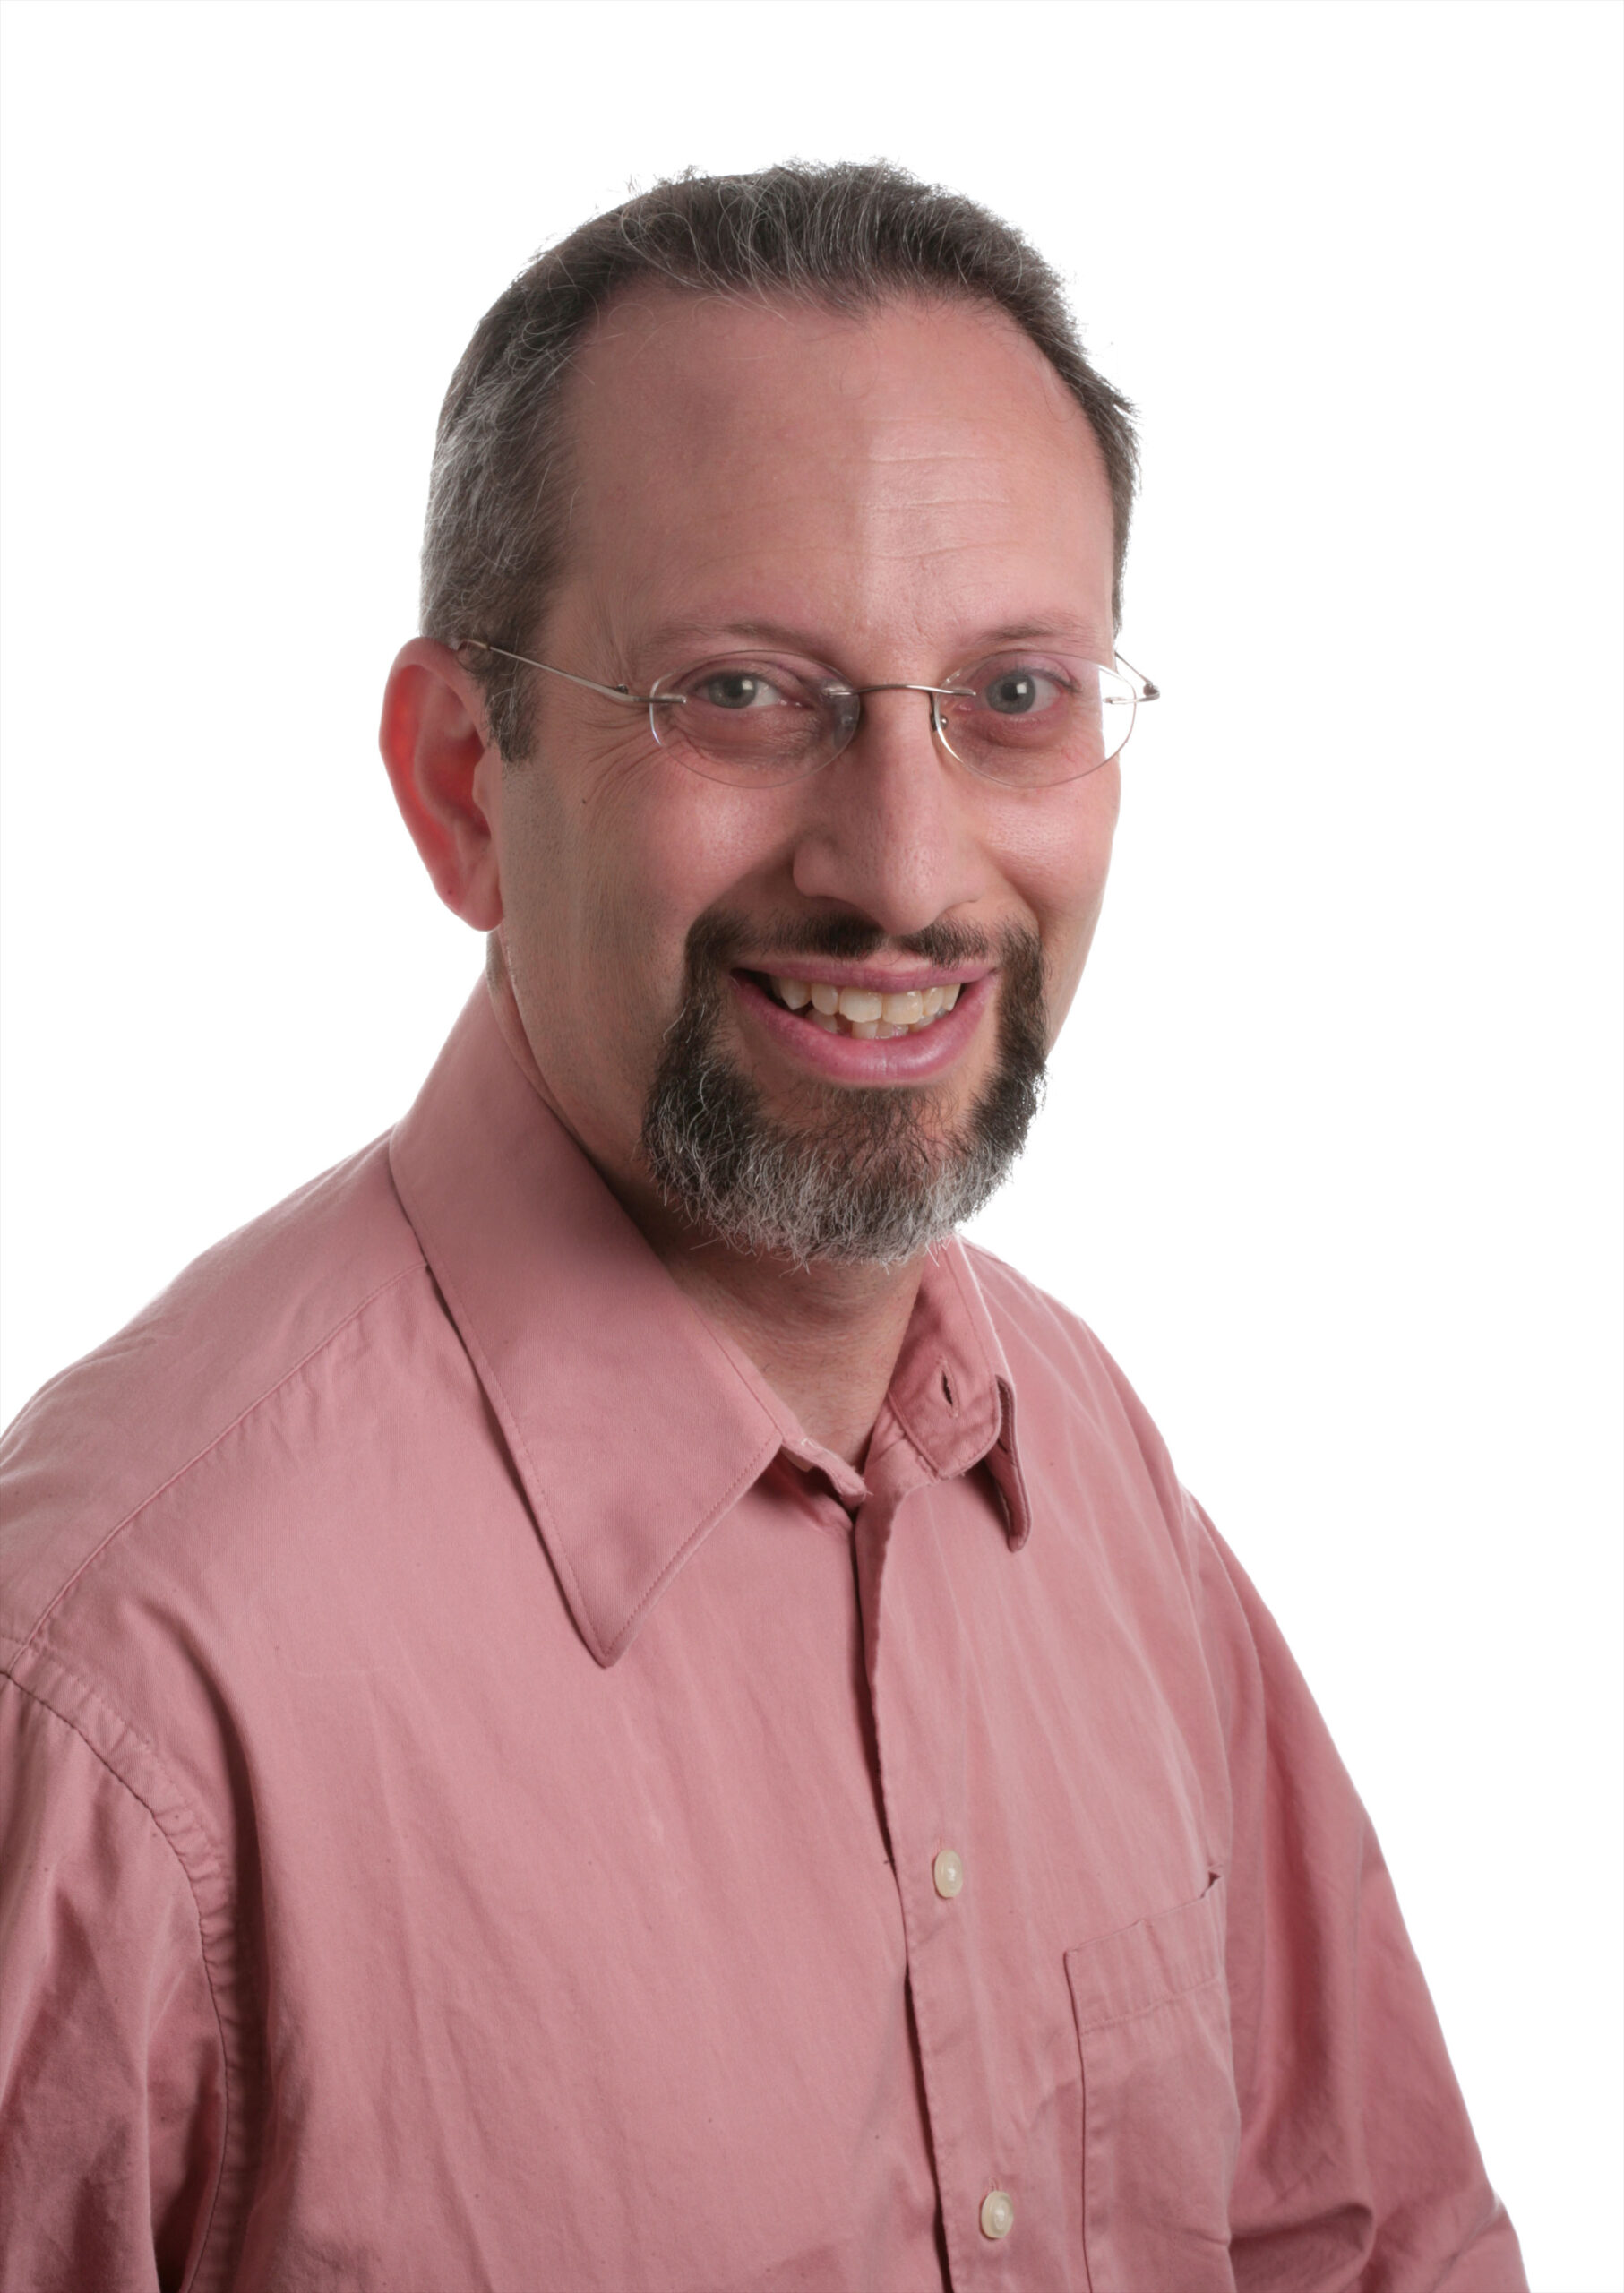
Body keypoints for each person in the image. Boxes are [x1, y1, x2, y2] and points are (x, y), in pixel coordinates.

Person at [0, 161, 1525, 2292]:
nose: (903, 868)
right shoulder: (116, 1684)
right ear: (462, 778)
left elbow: (1369, 2246)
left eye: (1012, 695)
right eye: (738, 692)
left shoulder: (1090, 1470)